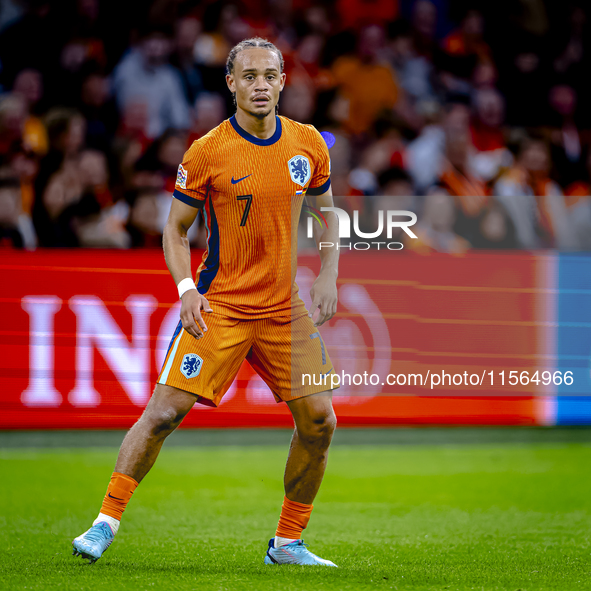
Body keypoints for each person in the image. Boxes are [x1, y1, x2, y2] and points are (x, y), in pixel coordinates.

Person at [72, 37, 340, 567]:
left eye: (269, 76)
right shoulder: (207, 151)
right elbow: (175, 231)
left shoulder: (309, 145)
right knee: (163, 414)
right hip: (221, 305)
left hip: (283, 309)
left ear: (284, 81)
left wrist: (329, 272)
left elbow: (328, 213)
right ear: (231, 84)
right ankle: (104, 522)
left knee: (320, 420)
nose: (260, 85)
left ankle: (287, 543)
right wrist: (186, 290)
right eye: (249, 77)